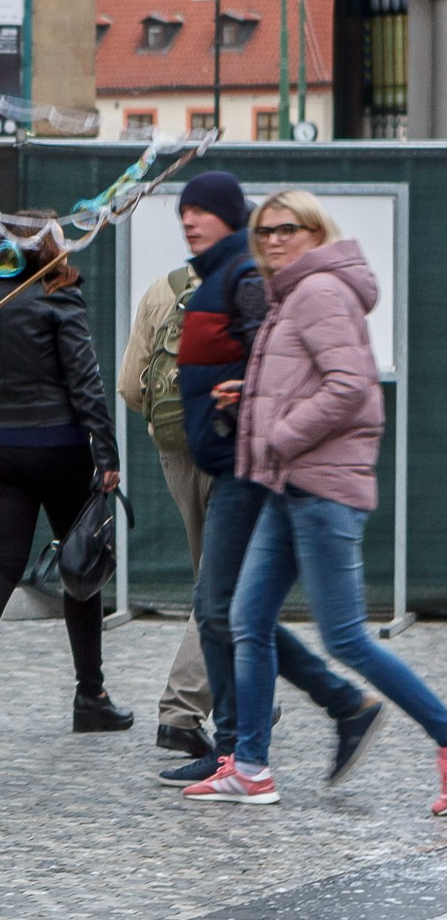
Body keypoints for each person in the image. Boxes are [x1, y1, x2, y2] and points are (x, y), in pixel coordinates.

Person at [185, 191, 447, 812]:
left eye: (288, 229)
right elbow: (311, 377)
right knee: (248, 619)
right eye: (264, 231)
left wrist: (279, 432)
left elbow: (351, 387)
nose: (274, 240)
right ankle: (250, 767)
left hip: (322, 488)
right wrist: (254, 396)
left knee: (345, 638)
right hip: (289, 485)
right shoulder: (294, 293)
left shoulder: (320, 291)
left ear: (316, 231)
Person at [150, 173, 376, 791]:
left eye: (201, 211)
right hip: (228, 459)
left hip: (245, 467)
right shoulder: (218, 274)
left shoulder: (244, 277)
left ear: (231, 216)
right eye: (183, 211)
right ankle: (321, 713)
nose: (189, 221)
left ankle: (247, 746)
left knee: (226, 608)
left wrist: (251, 408)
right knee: (234, 610)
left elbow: (285, 367)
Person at [0, 218, 131, 742]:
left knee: (1, 566)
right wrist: (106, 451)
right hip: (57, 447)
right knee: (80, 567)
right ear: (50, 247)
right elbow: (85, 379)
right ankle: (90, 696)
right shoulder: (57, 296)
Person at [117, 235, 215, 759]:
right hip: (234, 450)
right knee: (227, 582)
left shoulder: (164, 288)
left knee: (220, 576)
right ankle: (182, 709)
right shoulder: (255, 286)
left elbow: (131, 388)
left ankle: (247, 695)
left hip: (176, 449)